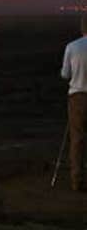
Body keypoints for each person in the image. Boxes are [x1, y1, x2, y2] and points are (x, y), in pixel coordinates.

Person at [61, 15, 87, 191]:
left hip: (78, 98)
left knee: (77, 139)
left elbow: (65, 74)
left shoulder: (72, 47)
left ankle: (77, 180)